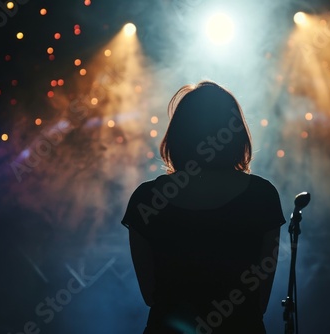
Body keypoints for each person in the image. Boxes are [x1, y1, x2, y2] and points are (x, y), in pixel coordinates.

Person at [122, 81, 285, 334]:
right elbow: (260, 300)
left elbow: (150, 295)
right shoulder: (262, 196)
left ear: (177, 134)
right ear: (236, 133)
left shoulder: (147, 199)